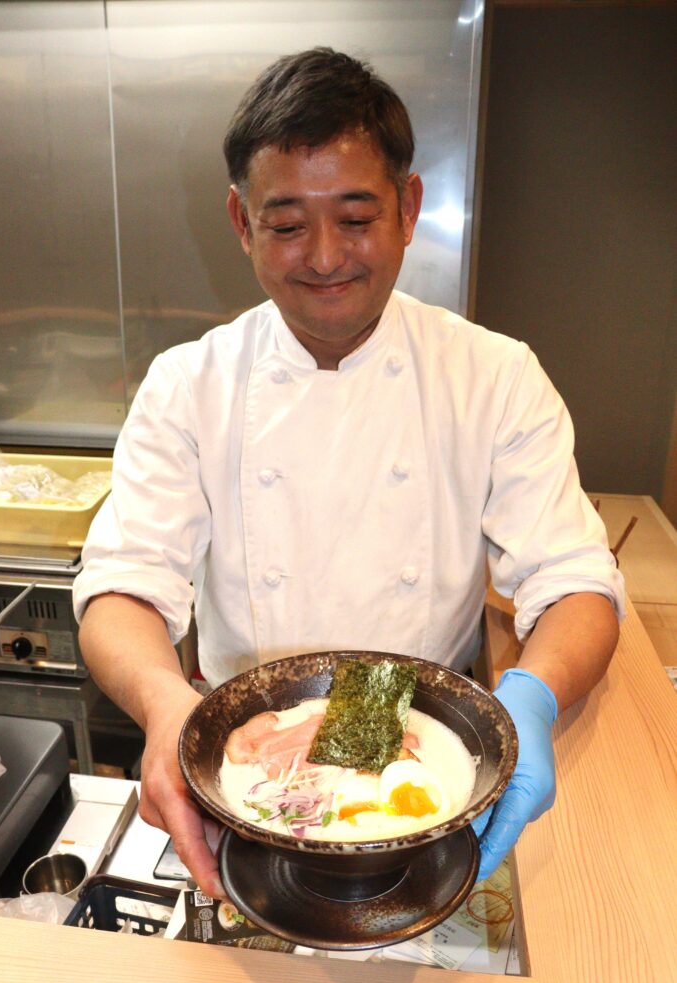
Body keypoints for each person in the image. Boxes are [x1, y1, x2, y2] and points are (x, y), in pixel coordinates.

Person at [74, 48, 624, 898]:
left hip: (426, 763)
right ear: (240, 221)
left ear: (408, 208)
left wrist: (532, 697)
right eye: (287, 224)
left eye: (356, 218)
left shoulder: (494, 374)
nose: (325, 258)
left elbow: (576, 581)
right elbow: (123, 586)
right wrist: (160, 701)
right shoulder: (189, 384)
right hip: (247, 766)